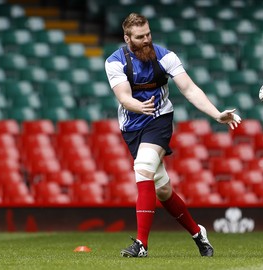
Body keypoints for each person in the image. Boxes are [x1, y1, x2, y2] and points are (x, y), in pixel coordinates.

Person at [104, 13, 242, 258]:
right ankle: (198, 233)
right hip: (132, 126)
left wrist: (216, 114)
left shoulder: (166, 56)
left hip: (159, 120)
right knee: (162, 190)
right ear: (127, 38)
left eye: (148, 34)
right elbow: (123, 96)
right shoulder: (115, 62)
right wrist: (138, 106)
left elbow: (188, 88)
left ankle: (141, 245)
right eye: (140, 37)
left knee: (143, 168)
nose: (146, 39)